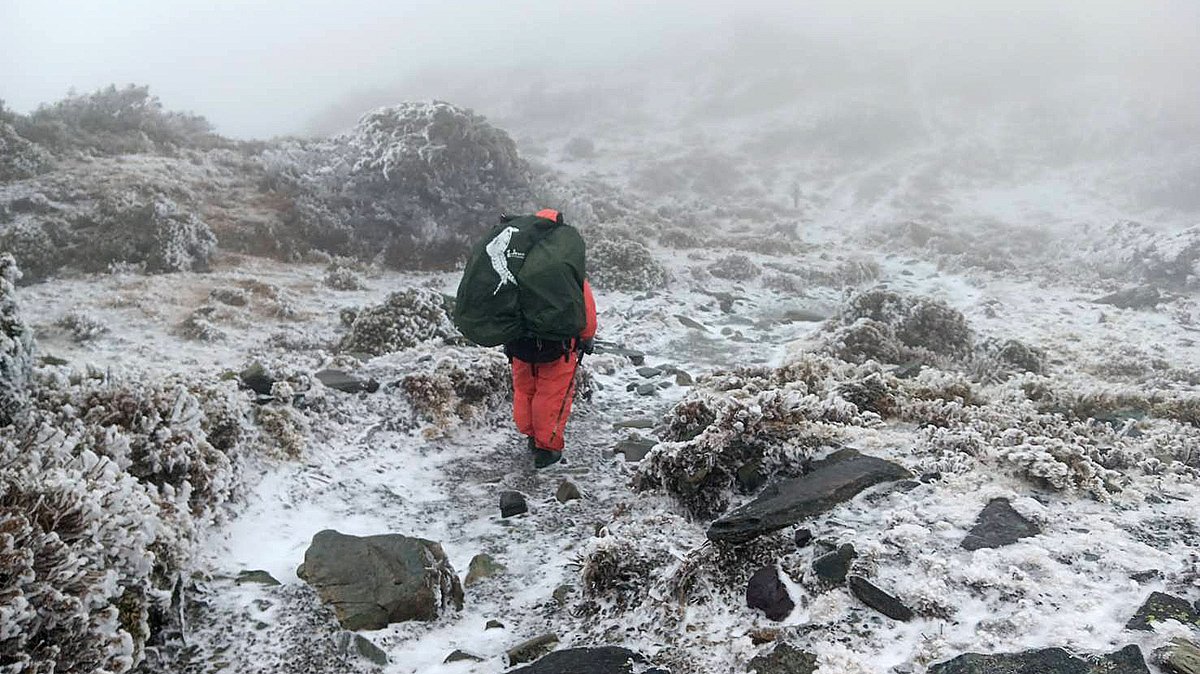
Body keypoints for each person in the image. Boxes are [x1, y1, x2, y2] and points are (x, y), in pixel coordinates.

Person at [503, 209, 597, 469]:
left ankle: (531, 435)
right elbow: (584, 303)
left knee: (525, 390)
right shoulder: (565, 265)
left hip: (519, 344)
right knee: (552, 396)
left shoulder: (515, 260)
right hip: (559, 346)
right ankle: (548, 449)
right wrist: (587, 337)